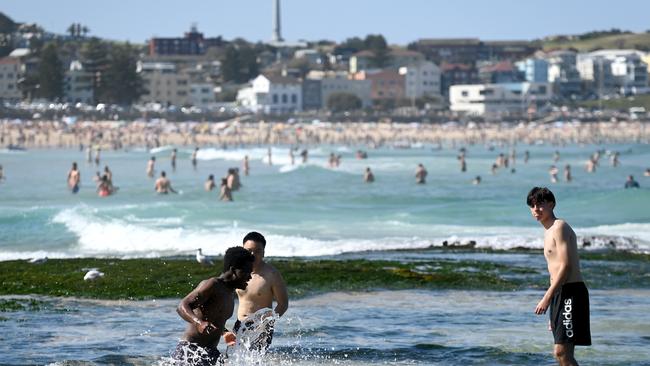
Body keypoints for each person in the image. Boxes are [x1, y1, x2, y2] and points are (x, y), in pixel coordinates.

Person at [527, 187, 591, 366]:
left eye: (540, 205)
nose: (535, 209)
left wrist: (546, 298)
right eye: (532, 206)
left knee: (562, 352)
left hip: (571, 292)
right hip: (560, 295)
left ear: (551, 204)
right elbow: (554, 271)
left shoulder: (559, 227)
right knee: (561, 353)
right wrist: (554, 309)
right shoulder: (548, 231)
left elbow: (566, 266)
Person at [172, 246, 254, 366]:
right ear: (233, 270)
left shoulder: (230, 293)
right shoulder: (212, 285)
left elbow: (214, 319)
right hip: (191, 351)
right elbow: (182, 306)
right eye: (246, 272)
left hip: (212, 353)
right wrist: (199, 323)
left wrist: (225, 332)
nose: (250, 277)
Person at [235, 232, 289, 351]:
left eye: (257, 251)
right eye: (249, 250)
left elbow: (283, 304)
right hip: (239, 325)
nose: (253, 254)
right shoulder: (237, 272)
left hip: (261, 327)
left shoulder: (272, 274)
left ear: (264, 252)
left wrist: (267, 324)